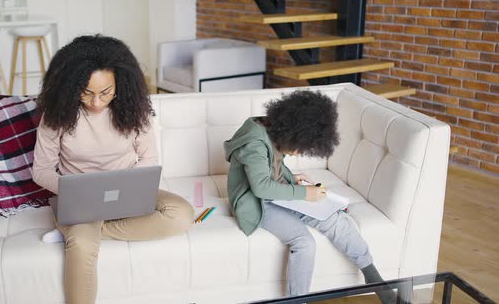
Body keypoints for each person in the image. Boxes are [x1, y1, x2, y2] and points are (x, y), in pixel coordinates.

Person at [32, 35, 194, 304]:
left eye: (106, 92)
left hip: (126, 190)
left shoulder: (133, 111)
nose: (96, 102)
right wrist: (73, 189)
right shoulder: (57, 115)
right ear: (71, 86)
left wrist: (131, 185)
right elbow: (41, 170)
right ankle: (81, 232)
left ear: (121, 84)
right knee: (83, 246)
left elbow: (149, 159)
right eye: (86, 92)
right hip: (79, 198)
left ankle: (90, 230)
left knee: (181, 214)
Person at [223, 90, 395, 303]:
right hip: (256, 202)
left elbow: (273, 165)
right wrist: (305, 192)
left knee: (336, 221)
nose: (296, 154)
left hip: (278, 192)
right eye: (299, 148)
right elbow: (261, 188)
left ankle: (374, 277)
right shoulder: (254, 143)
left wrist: (291, 177)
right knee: (304, 243)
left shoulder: (274, 129)